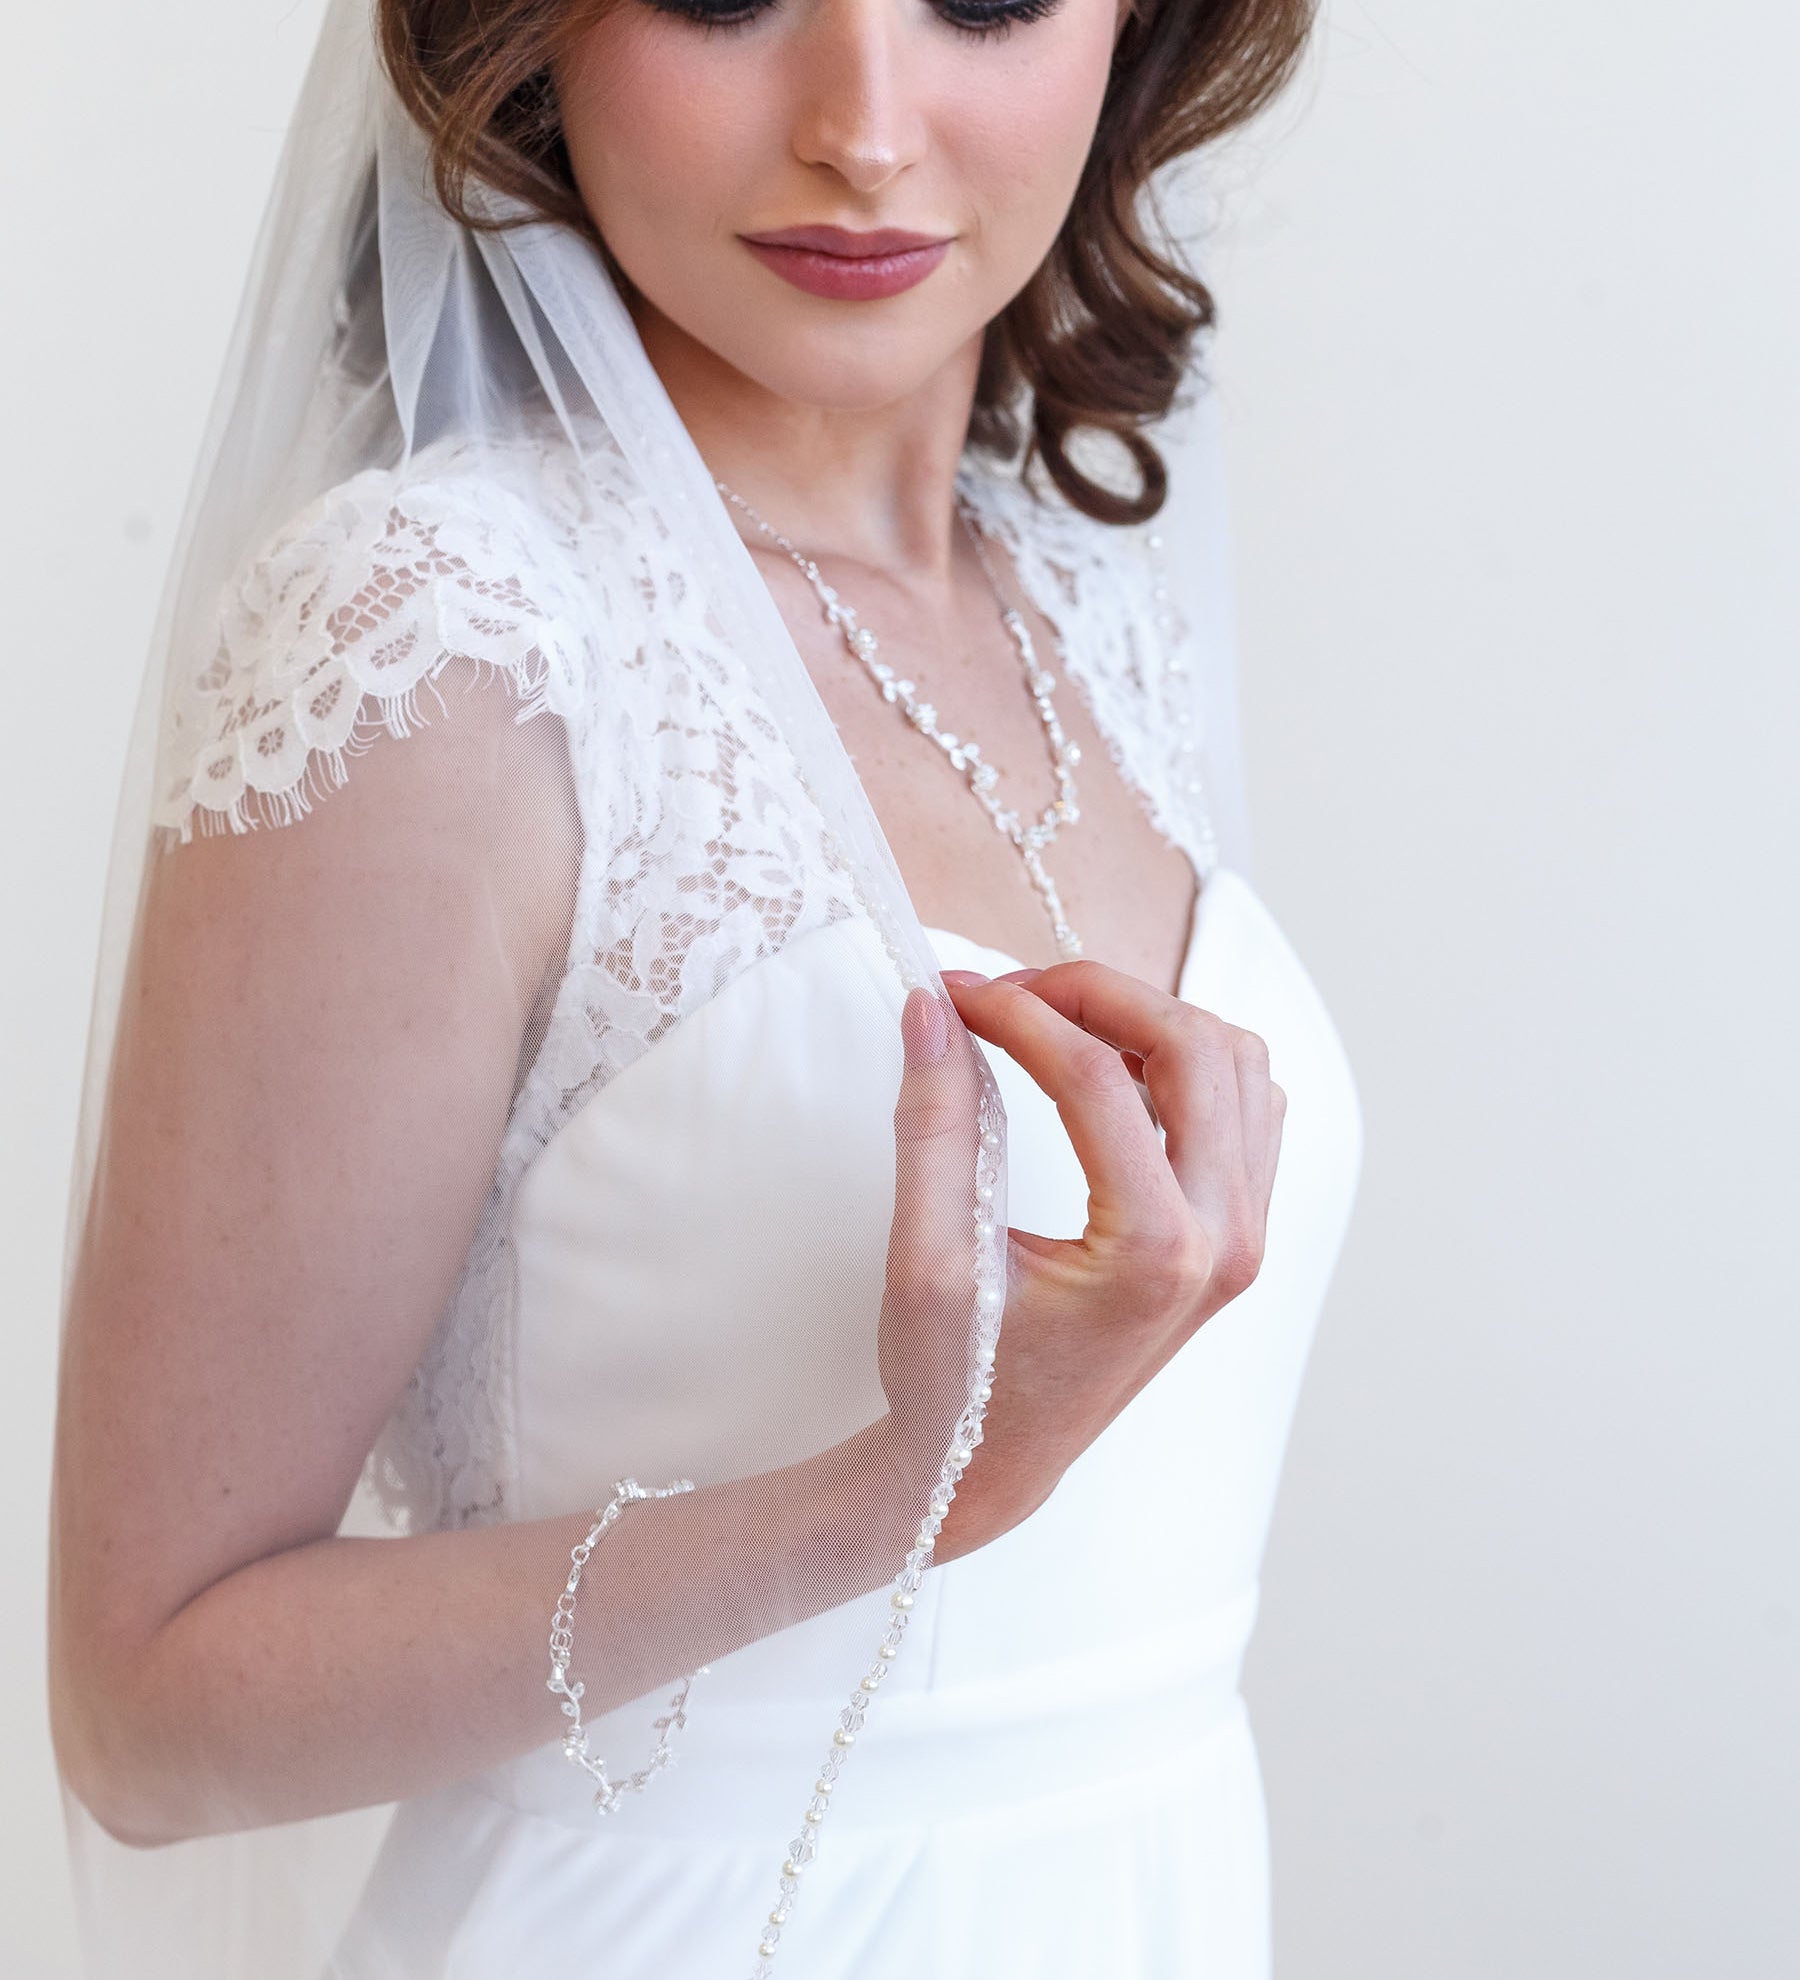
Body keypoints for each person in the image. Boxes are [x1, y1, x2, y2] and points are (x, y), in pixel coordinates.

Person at [46, 0, 1361, 1974]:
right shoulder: (447, 638)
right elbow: (147, 1715)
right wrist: (884, 1506)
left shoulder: (1082, 584)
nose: (864, 129)